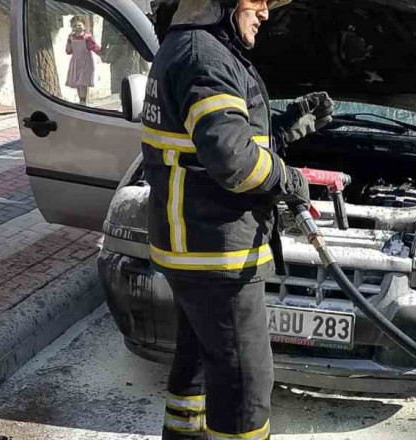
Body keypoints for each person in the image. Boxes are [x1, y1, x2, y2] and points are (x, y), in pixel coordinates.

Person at [142, 0, 332, 438]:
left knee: (196, 364)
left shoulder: (187, 47)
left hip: (194, 249)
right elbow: (234, 161)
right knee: (244, 382)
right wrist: (290, 179)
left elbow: (210, 142)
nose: (266, 12)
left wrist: (286, 128)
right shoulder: (203, 55)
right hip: (215, 253)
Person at [101, 21, 148, 95]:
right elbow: (105, 33)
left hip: (131, 53)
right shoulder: (110, 18)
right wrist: (103, 51)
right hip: (118, 54)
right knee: (120, 85)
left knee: (131, 84)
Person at [65, 15, 101, 105]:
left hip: (86, 62)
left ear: (84, 26)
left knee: (83, 82)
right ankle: (81, 100)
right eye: (74, 26)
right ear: (71, 27)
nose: (77, 28)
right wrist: (68, 43)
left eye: (79, 25)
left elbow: (93, 47)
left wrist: (102, 53)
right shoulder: (71, 37)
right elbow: (68, 51)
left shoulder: (87, 37)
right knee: (77, 82)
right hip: (75, 62)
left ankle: (83, 101)